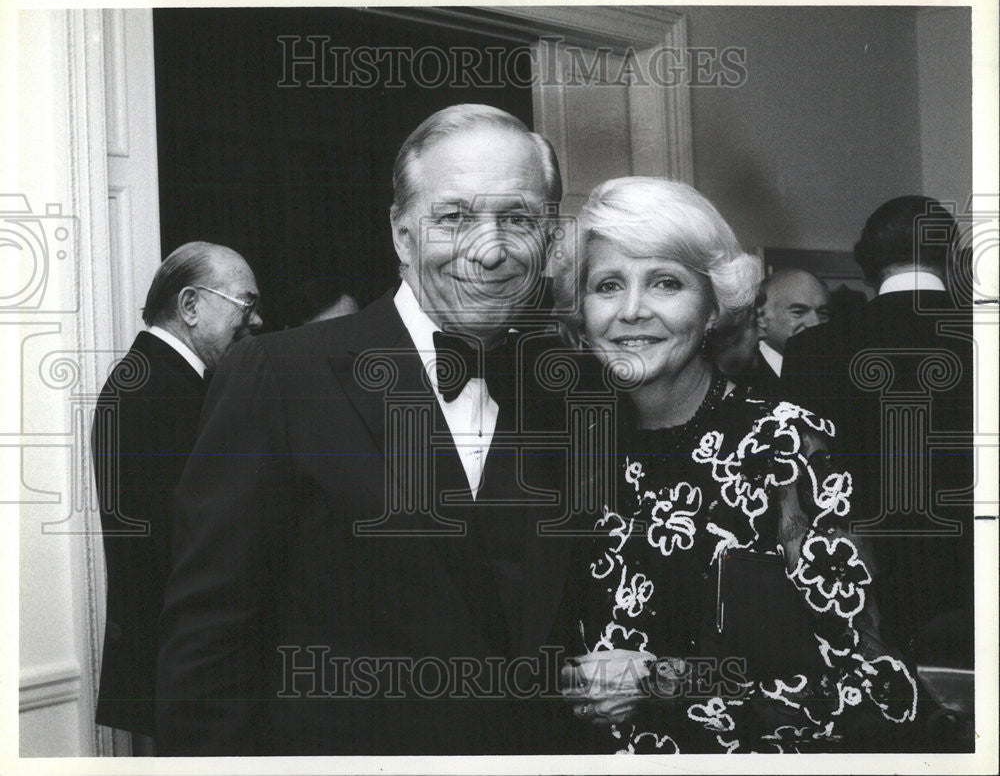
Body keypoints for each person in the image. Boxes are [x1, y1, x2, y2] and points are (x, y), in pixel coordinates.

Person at [156, 105, 584, 755]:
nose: (491, 248)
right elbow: (208, 647)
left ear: (550, 238)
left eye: (519, 218)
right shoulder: (281, 375)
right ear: (402, 234)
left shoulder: (568, 394)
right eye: (455, 216)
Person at [552, 178, 919, 753]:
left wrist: (659, 678)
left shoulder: (786, 446)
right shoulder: (567, 452)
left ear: (713, 304)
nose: (631, 311)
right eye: (607, 285)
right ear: (581, 310)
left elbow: (870, 684)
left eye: (665, 283)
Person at [782, 196, 974, 675]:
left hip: (858, 589)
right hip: (977, 576)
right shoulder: (984, 336)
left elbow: (797, 484)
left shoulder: (813, 350)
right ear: (952, 259)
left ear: (865, 264)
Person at [91, 241, 262, 746]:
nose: (257, 320)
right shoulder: (163, 392)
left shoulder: (149, 380)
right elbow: (197, 549)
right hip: (192, 670)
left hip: (176, 664)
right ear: (190, 306)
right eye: (246, 304)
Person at [756, 267, 830, 377]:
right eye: (798, 312)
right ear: (761, 317)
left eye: (823, 313)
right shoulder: (740, 375)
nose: (816, 323)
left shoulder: (831, 371)